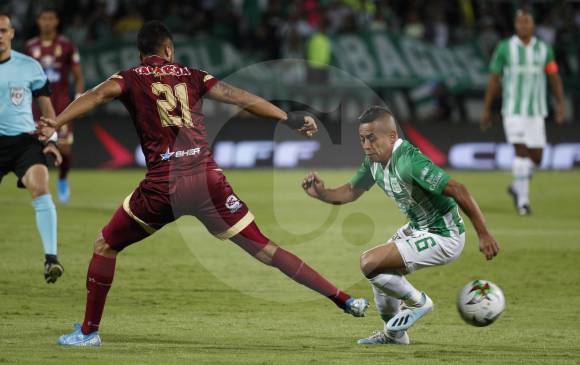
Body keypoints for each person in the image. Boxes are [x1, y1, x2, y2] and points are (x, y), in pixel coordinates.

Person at [37, 21, 368, 347]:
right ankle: (343, 298)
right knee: (265, 249)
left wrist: (56, 122)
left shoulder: (130, 78)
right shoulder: (192, 75)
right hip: (207, 179)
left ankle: (88, 333)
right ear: (168, 49)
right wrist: (288, 118)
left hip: (164, 186)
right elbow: (238, 97)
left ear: (141, 55)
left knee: (105, 245)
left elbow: (95, 96)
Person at [302, 106, 500, 345]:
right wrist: (322, 193)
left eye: (372, 138)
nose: (366, 145)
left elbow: (458, 189)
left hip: (444, 235)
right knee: (380, 275)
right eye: (362, 139)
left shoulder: (409, 162)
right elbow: (351, 191)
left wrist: (484, 234)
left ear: (392, 136)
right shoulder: (373, 162)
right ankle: (395, 335)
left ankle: (419, 302)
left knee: (369, 262)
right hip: (418, 227)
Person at [481, 8, 565, 216]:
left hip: (536, 111)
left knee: (538, 157)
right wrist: (487, 109)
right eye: (520, 23)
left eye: (527, 22)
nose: (524, 26)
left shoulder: (545, 49)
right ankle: (523, 203)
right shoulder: (504, 48)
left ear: (533, 25)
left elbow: (553, 77)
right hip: (513, 110)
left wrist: (560, 104)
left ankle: (517, 186)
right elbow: (493, 79)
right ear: (516, 25)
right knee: (520, 151)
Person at [0, 12, 64, 283]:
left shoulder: (30, 67)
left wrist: (51, 140)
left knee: (40, 186)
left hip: (24, 142)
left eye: (3, 31)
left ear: (12, 33)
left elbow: (47, 108)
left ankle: (51, 260)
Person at [25, 7, 85, 203]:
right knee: (34, 149)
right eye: (44, 18)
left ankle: (62, 178)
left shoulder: (66, 46)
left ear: (57, 21)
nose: (47, 22)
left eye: (51, 18)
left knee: (65, 150)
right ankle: (39, 187)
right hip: (37, 106)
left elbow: (78, 76)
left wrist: (78, 98)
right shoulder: (30, 47)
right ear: (38, 21)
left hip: (62, 107)